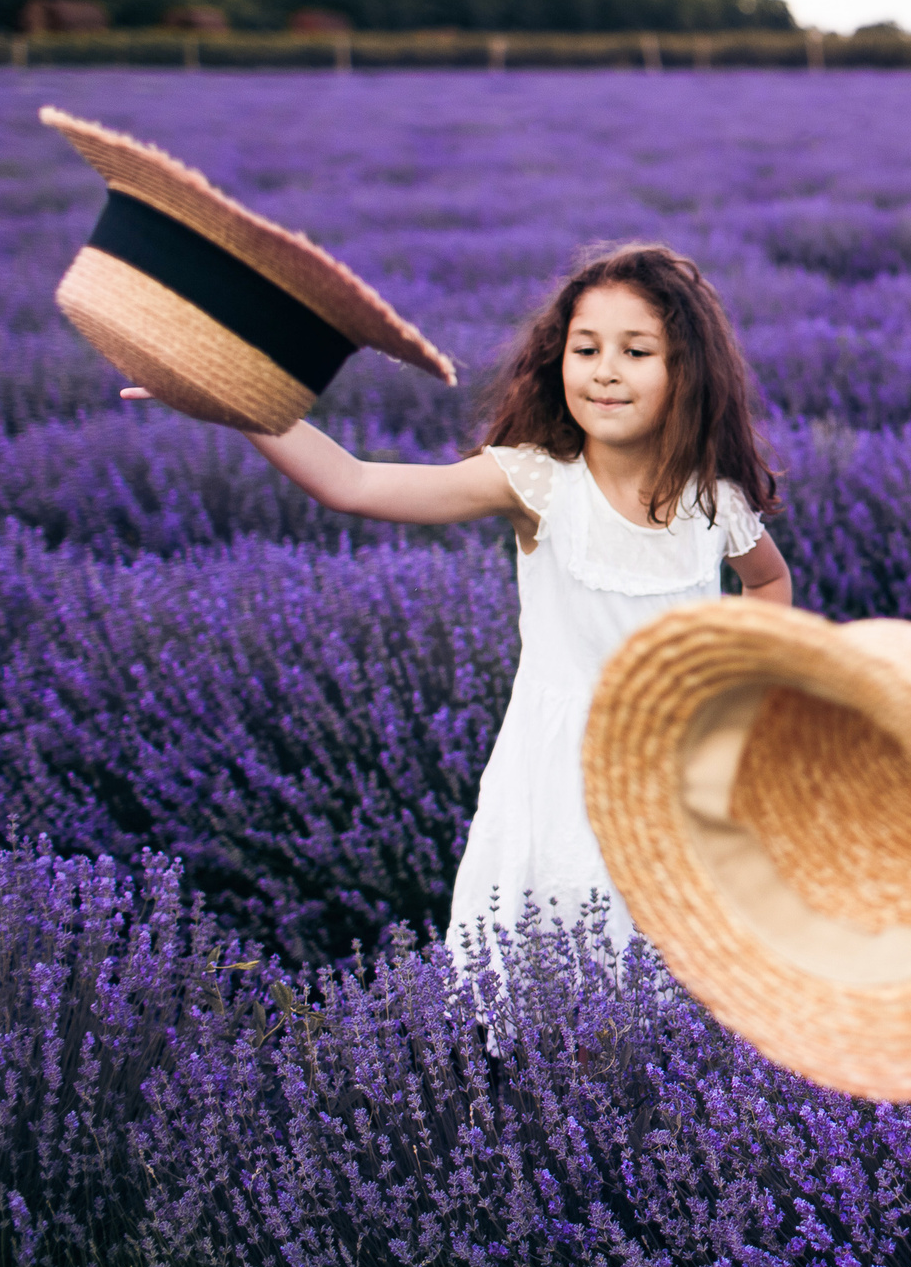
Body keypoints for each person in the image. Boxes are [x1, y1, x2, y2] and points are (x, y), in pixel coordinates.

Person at [127, 242, 789, 959]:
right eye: (586, 348)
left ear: (685, 371)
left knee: (674, 984)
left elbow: (767, 582)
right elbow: (354, 484)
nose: (604, 371)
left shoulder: (712, 501)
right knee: (560, 982)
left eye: (636, 352)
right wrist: (242, 403)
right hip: (560, 780)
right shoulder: (538, 482)